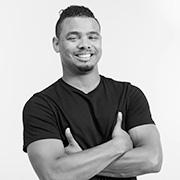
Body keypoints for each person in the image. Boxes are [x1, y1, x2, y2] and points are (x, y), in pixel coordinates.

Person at [22, 5, 163, 180]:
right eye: (73, 38)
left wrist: (76, 163)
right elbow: (53, 174)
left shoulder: (129, 95)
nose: (85, 45)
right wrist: (117, 146)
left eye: (92, 37)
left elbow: (152, 159)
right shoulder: (41, 106)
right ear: (56, 44)